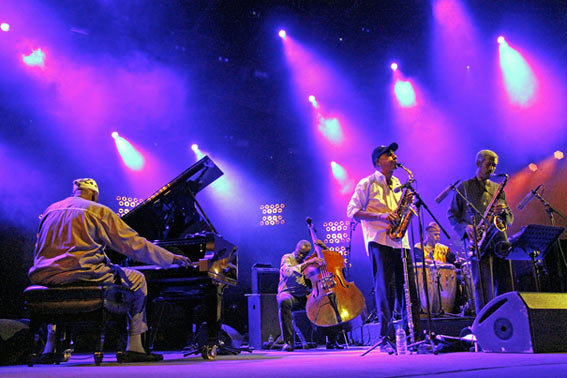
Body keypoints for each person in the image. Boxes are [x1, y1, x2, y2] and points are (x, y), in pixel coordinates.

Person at [28, 178, 191, 363]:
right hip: (83, 274)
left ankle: (50, 347)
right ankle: (135, 346)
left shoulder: (51, 210)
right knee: (138, 278)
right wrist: (170, 258)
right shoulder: (98, 210)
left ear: (75, 191)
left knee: (57, 293)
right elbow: (133, 244)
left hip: (46, 276)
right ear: (94, 194)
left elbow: (38, 246)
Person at [347, 143, 420, 341]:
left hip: (401, 241)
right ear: (378, 161)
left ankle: (413, 333)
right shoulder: (367, 183)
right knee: (385, 290)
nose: (394, 157)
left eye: (394, 154)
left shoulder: (398, 182)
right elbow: (352, 212)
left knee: (409, 289)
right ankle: (386, 337)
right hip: (379, 241)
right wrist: (381, 216)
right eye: (389, 154)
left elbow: (399, 211)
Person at [447, 150, 514, 314]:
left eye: (494, 165)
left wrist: (503, 210)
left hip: (499, 242)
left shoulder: (498, 189)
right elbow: (452, 215)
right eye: (488, 165)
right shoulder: (464, 188)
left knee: (506, 283)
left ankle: (505, 318)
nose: (491, 169)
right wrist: (466, 227)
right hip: (479, 243)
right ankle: (484, 322)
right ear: (478, 164)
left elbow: (510, 219)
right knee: (483, 288)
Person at [277, 239, 331, 351]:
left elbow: (328, 263)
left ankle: (332, 340)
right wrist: (306, 263)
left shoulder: (310, 261)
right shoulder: (287, 257)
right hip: (289, 293)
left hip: (305, 295)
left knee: (328, 300)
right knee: (284, 301)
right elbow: (287, 272)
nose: (301, 256)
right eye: (299, 252)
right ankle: (288, 342)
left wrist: (324, 249)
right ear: (296, 248)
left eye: (304, 254)